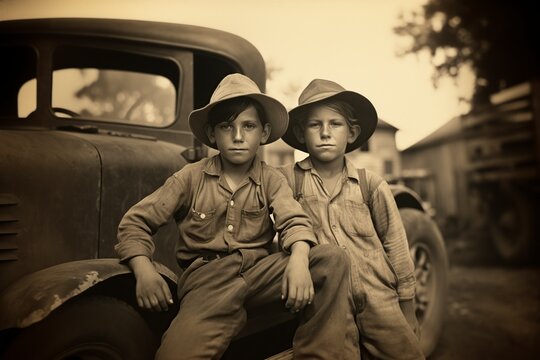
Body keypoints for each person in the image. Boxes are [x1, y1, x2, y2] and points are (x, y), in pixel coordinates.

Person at [115, 73, 350, 360]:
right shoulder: (190, 178)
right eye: (227, 127)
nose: (238, 137)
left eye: (248, 126)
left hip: (261, 274)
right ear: (213, 134)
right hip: (209, 281)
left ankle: (317, 355)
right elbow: (135, 223)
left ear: (263, 134)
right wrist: (144, 270)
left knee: (332, 259)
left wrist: (300, 259)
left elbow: (294, 221)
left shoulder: (271, 179)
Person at [280, 78, 425, 360]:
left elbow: (396, 247)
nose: (325, 133)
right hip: (327, 303)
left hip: (379, 298)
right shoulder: (287, 181)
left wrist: (408, 310)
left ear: (351, 132)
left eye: (335, 124)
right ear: (300, 132)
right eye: (314, 125)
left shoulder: (371, 185)